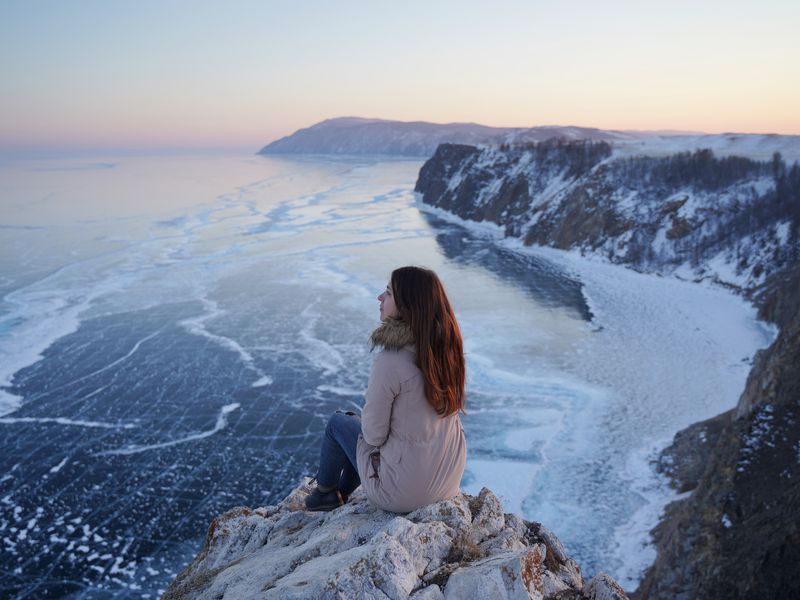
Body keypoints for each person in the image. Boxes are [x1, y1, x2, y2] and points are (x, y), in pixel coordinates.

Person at [305, 266, 467, 513]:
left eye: (389, 293)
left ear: (406, 305)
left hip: (403, 496)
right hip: (447, 484)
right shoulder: (447, 352)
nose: (380, 297)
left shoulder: (391, 360)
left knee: (339, 423)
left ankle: (325, 494)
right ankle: (341, 493)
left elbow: (373, 436)